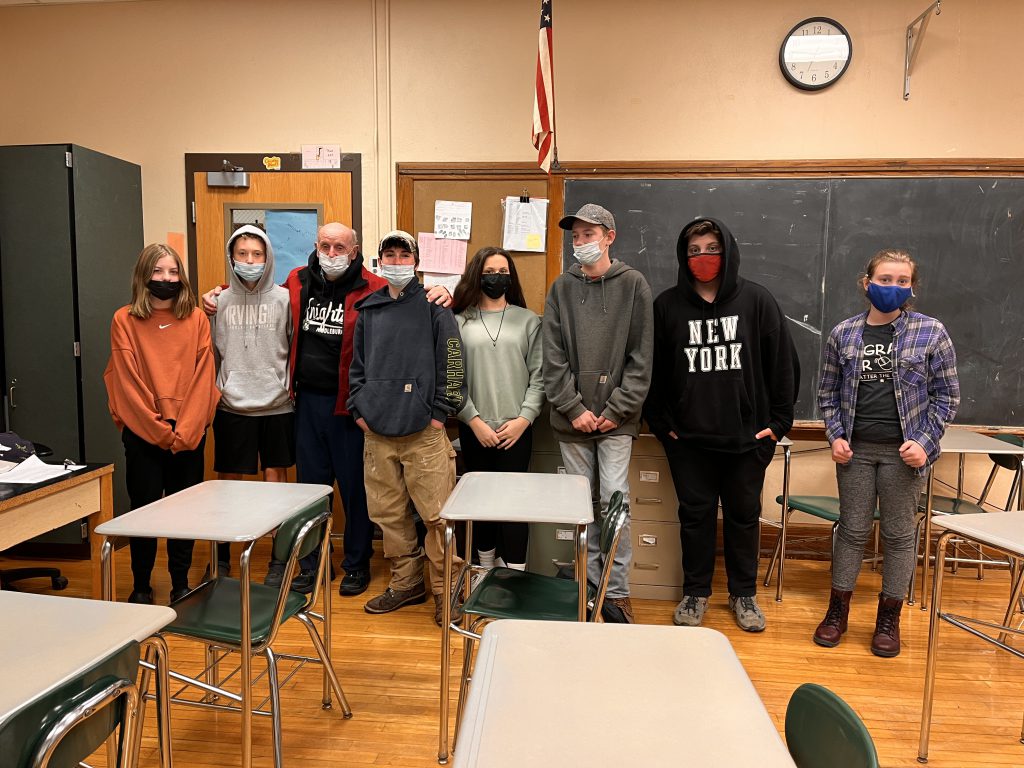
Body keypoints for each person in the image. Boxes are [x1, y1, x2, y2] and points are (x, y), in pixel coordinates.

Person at [203, 222, 451, 596]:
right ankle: (312, 563)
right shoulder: (298, 282)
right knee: (311, 491)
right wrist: (219, 293)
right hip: (306, 404)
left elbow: (414, 310)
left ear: (355, 251)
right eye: (326, 246)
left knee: (355, 492)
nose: (332, 254)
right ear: (316, 246)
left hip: (352, 407)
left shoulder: (375, 286)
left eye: (341, 247)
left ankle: (356, 564)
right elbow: (259, 295)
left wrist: (444, 290)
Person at [644, 217, 798, 632]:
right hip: (688, 441)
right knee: (694, 518)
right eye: (694, 251)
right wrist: (663, 426)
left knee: (743, 517)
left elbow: (783, 365)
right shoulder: (666, 306)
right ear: (683, 256)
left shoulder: (757, 301)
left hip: (747, 441)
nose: (703, 258)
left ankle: (744, 594)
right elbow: (651, 371)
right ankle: (695, 594)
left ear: (727, 250)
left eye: (711, 248)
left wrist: (779, 424)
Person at [814, 248, 959, 657]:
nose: (892, 287)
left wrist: (926, 444)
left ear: (911, 286)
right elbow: (827, 393)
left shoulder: (932, 333)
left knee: (898, 536)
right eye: (884, 279)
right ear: (867, 282)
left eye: (901, 281)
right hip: (855, 451)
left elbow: (947, 398)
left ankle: (888, 619)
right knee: (852, 531)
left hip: (904, 454)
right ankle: (836, 612)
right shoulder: (843, 334)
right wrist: (835, 435)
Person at [348, 230, 467, 626]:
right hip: (377, 433)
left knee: (437, 517)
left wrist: (439, 414)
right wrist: (358, 409)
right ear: (378, 261)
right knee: (389, 514)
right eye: (389, 255)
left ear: (414, 261)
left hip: (425, 433)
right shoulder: (370, 310)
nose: (396, 262)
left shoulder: (435, 307)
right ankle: (406, 583)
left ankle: (445, 588)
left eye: (404, 255)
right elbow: (357, 367)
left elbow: (452, 363)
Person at [542, 204, 653, 624]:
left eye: (590, 234)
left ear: (610, 236)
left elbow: (642, 358)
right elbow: (552, 359)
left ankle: (616, 591)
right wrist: (573, 408)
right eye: (576, 236)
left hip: (616, 421)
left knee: (613, 502)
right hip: (572, 422)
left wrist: (615, 410)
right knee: (578, 508)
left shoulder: (633, 285)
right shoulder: (561, 289)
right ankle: (586, 590)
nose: (582, 242)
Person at [104, 243, 220, 604]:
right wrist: (157, 431)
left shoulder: (197, 319)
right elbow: (126, 381)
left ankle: (180, 584)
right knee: (144, 512)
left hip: (188, 433)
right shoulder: (124, 319)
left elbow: (204, 376)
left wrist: (186, 430)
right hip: (143, 434)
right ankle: (141, 586)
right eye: (158, 272)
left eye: (172, 272)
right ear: (144, 276)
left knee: (184, 514)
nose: (166, 279)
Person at [452, 247, 544, 575]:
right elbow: (451, 379)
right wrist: (472, 420)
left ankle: (516, 574)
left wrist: (524, 419)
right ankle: (484, 571)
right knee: (483, 506)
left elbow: (540, 376)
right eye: (491, 270)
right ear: (478, 274)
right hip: (475, 429)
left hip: (516, 430)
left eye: (504, 271)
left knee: (514, 506)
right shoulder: (458, 321)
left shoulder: (528, 320)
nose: (497, 277)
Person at [209, 225, 293, 575]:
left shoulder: (286, 299)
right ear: (232, 257)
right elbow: (212, 351)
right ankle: (222, 560)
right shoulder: (217, 302)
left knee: (276, 484)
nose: (249, 261)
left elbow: (293, 349)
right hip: (233, 405)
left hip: (277, 405)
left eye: (256, 254)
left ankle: (280, 557)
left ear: (268, 257)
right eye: (242, 254)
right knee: (229, 488)